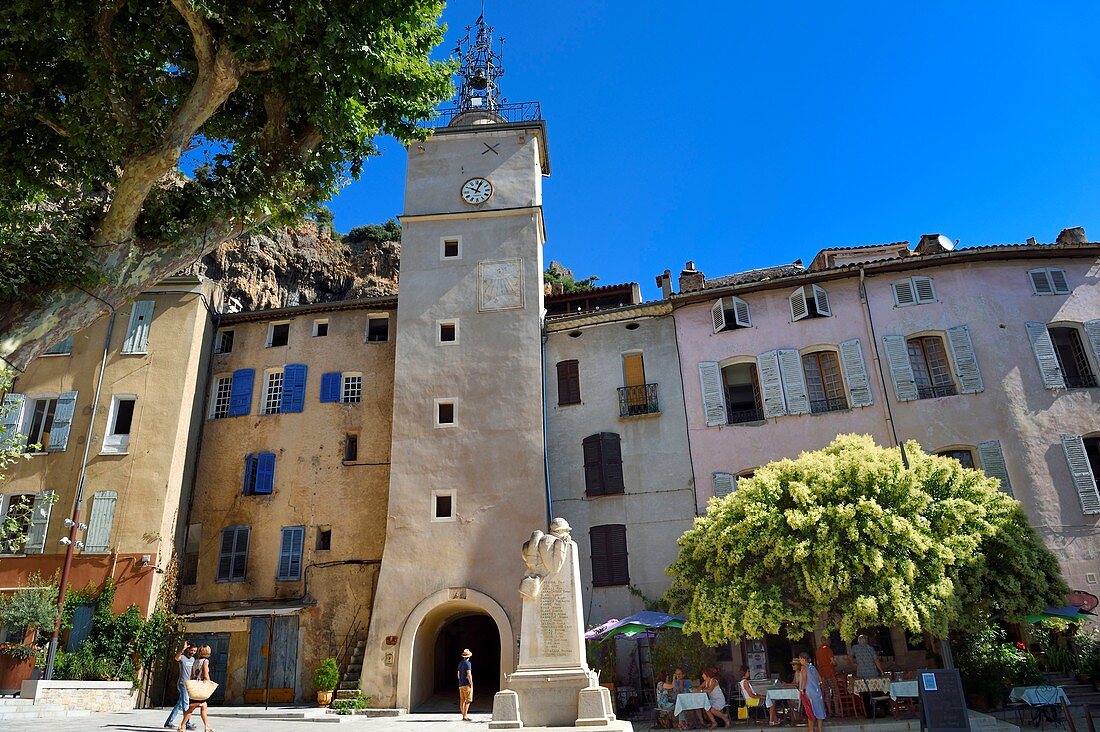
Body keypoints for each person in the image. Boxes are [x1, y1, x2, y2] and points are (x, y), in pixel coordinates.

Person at [178, 645, 213, 732]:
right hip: (200, 687)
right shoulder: (205, 661)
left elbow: (192, 673)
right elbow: (205, 674)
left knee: (203, 707)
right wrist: (208, 683)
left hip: (195, 685)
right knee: (192, 707)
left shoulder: (196, 661)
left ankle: (207, 727)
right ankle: (182, 726)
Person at [164, 640, 197, 730]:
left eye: (194, 651)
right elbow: (176, 658)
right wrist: (182, 649)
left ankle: (168, 722)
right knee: (186, 704)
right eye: (192, 650)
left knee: (180, 705)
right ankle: (188, 723)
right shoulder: (182, 657)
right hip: (182, 683)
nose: (193, 652)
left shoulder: (193, 659)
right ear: (188, 649)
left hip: (188, 684)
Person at [850, 634, 885, 718]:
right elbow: (876, 660)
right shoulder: (870, 648)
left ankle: (868, 712)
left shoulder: (855, 648)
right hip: (872, 673)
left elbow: (849, 656)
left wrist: (853, 663)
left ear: (858, 641)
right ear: (866, 640)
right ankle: (878, 710)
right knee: (876, 691)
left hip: (861, 674)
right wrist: (881, 671)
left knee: (865, 693)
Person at [798, 653, 827, 732]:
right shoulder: (813, 667)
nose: (800, 661)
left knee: (810, 711)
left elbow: (804, 680)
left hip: (809, 691)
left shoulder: (804, 668)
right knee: (819, 710)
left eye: (800, 659)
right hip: (817, 691)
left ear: (803, 659)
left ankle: (811, 730)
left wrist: (801, 690)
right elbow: (820, 679)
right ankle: (819, 729)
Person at [457, 648, 474, 721]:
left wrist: (461, 680)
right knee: (468, 700)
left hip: (460, 684)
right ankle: (465, 715)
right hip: (466, 684)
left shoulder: (460, 663)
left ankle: (463, 715)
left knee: (462, 700)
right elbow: (469, 674)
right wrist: (471, 683)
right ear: (469, 657)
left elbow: (458, 675)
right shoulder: (468, 663)